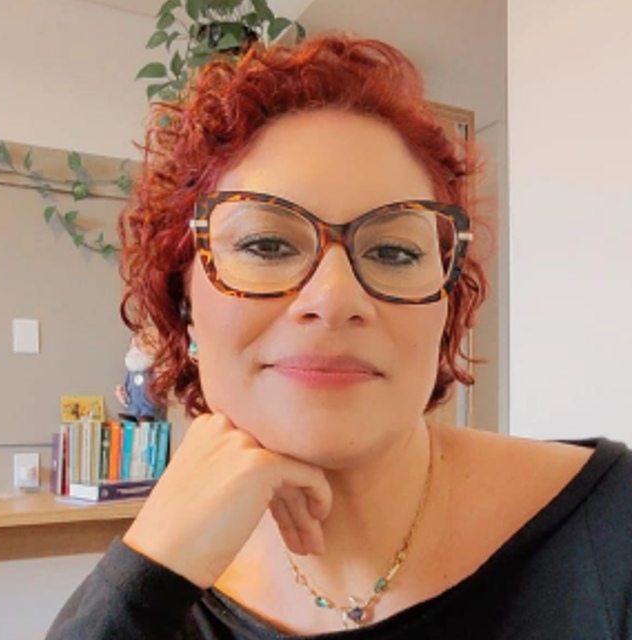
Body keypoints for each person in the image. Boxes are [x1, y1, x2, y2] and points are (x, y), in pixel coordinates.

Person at [45, 34, 632, 639]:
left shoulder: (615, 528)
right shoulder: (158, 598)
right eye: (266, 245)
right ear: (184, 304)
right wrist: (145, 574)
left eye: (394, 251)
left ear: (447, 309)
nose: (333, 299)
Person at [115, 328, 167, 422]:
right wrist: (123, 392)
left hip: (149, 402)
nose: (135, 349)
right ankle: (132, 413)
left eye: (139, 345)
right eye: (132, 346)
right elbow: (126, 383)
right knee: (133, 406)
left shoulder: (152, 370)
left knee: (147, 406)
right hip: (132, 402)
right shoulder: (131, 371)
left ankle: (146, 416)